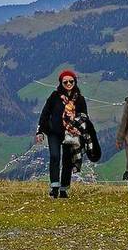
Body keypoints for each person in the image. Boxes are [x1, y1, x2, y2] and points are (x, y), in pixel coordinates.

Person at [35, 69, 88, 198]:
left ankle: (64, 188)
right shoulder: (54, 96)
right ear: (61, 83)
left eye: (71, 81)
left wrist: (81, 131)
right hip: (54, 132)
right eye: (65, 82)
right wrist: (40, 131)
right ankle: (54, 187)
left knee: (67, 161)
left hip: (71, 134)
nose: (69, 84)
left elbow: (84, 116)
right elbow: (45, 113)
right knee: (54, 156)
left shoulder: (79, 99)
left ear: (75, 82)